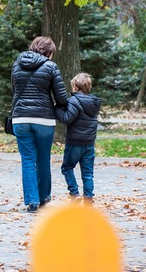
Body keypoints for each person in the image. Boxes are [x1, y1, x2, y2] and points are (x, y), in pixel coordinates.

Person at [10, 36, 69, 212]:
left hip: (20, 118)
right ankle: (43, 197)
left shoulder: (17, 65)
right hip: (44, 119)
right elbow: (61, 97)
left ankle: (32, 201)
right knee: (43, 159)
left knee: (27, 160)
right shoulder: (50, 67)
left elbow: (15, 91)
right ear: (49, 52)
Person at [55, 72, 100, 203]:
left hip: (74, 142)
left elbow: (66, 118)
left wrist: (57, 108)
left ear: (75, 86)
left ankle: (74, 193)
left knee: (67, 167)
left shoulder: (74, 101)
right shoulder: (93, 103)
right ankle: (88, 199)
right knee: (87, 173)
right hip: (89, 143)